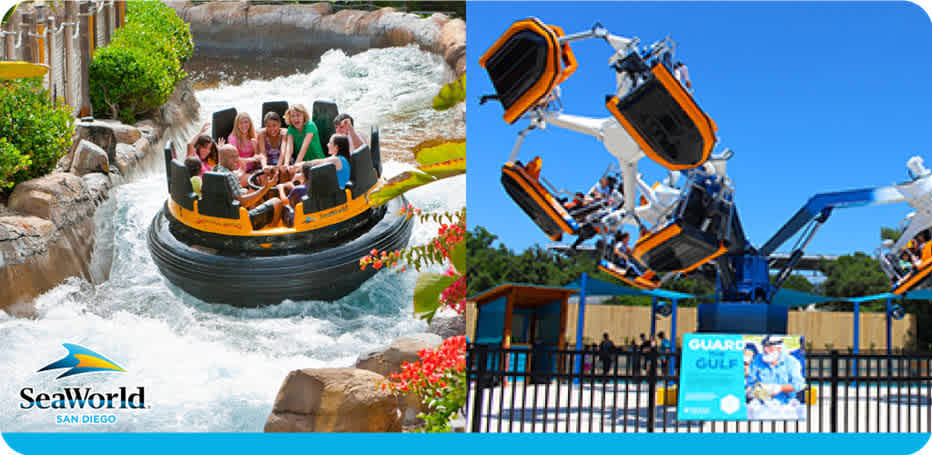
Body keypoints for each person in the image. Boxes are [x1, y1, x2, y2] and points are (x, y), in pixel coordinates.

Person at [213, 145, 283, 230]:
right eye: (232, 157)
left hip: (223, 215)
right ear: (223, 158)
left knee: (248, 191)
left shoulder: (216, 170)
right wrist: (266, 187)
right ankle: (271, 236)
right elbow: (242, 202)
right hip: (240, 222)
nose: (236, 160)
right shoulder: (229, 176)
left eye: (237, 156)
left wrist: (242, 170)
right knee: (277, 202)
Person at [746, 335, 805, 404]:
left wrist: (780, 388)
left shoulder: (792, 362)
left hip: (786, 405)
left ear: (779, 348)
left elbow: (798, 385)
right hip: (762, 405)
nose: (765, 349)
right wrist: (760, 394)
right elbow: (750, 383)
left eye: (769, 347)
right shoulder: (757, 360)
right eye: (764, 346)